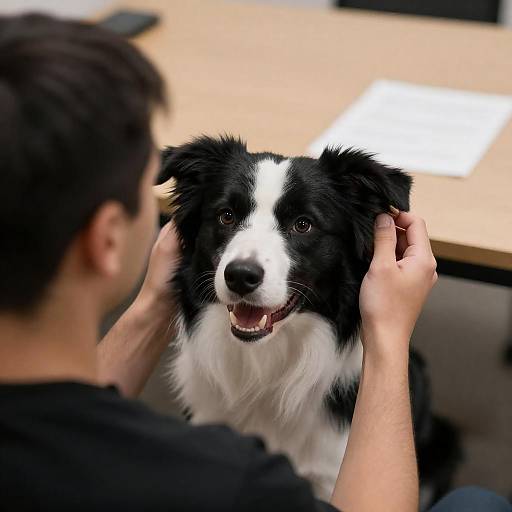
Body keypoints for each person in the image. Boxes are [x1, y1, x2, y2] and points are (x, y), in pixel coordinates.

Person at [0, 12, 510, 512]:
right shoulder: (229, 478)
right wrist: (391, 337)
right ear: (107, 237)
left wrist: (155, 301)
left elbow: (72, 421)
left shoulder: (48, 438)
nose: (245, 261)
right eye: (226, 215)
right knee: (479, 502)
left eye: (303, 224)